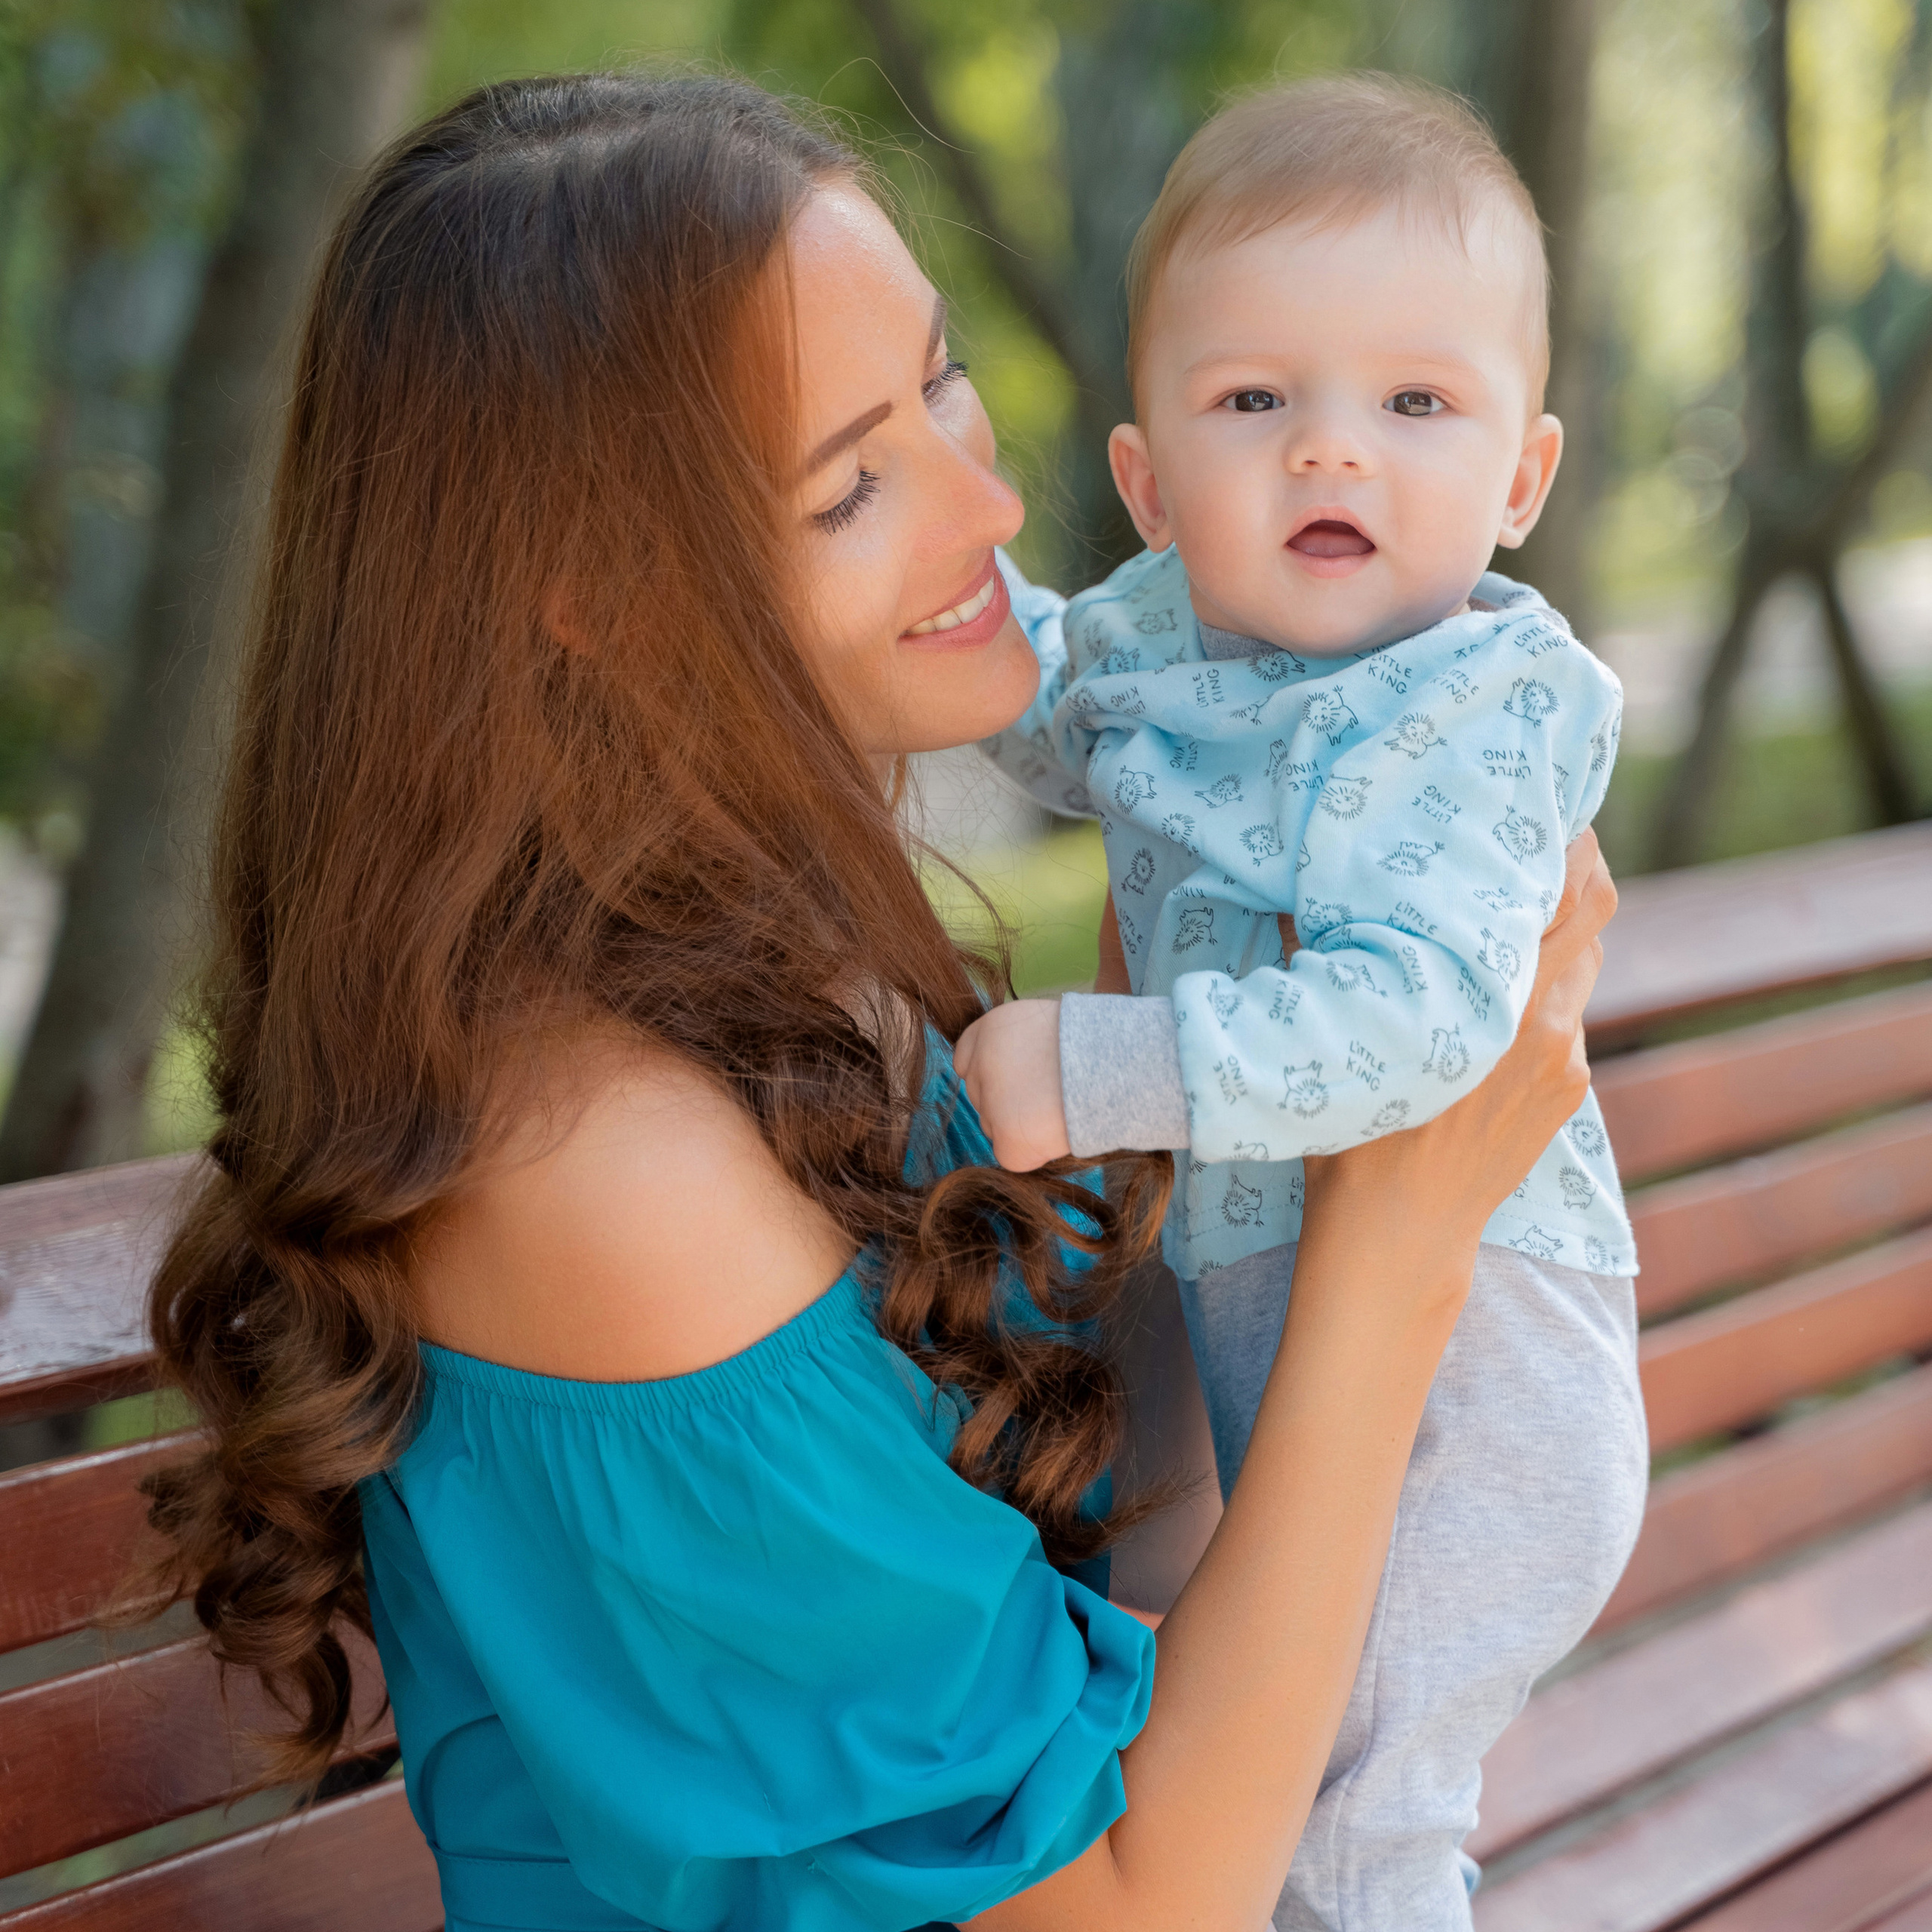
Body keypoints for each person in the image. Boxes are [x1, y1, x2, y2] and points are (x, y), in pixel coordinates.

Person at [134, 72, 1617, 1932]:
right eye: (852, 479)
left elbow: (1127, 1559)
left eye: (938, 379)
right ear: (592, 595)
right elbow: (1139, 1912)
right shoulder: (607, 1166)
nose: (991, 499)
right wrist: (1392, 1244)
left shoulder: (766, 965)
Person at [961, 76, 1646, 1928]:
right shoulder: (1172, 638)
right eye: (1253, 400)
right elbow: (1025, 698)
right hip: (1296, 1312)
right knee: (1271, 1782)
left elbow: (1422, 1024)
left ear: (1518, 477)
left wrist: (1099, 1058)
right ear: (1148, 482)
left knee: (1348, 1822)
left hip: (1473, 1366)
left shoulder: (1481, 701)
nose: (1329, 453)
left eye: (1414, 404)